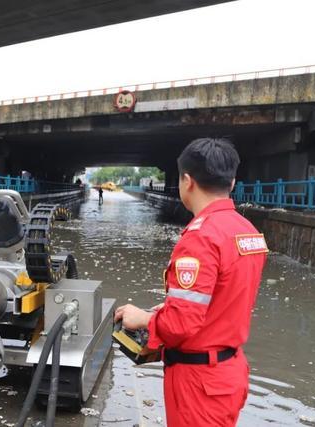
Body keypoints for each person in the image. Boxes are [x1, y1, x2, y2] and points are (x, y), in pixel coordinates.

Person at [114, 138, 268, 427]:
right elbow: (225, 299)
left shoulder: (200, 237)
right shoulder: (247, 231)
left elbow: (180, 326)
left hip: (199, 383)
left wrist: (145, 319)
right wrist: (172, 306)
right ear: (232, 182)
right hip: (229, 373)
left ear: (187, 181)